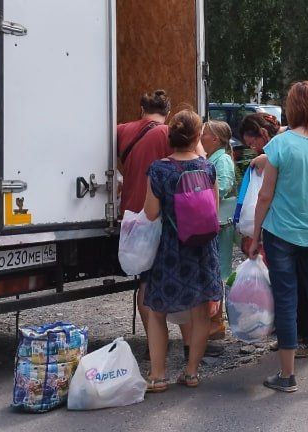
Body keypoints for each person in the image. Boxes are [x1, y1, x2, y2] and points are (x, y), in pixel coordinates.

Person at [247, 81, 308, 392]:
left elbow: (265, 196)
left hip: (281, 235)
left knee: (287, 300)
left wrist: (255, 236)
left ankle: (288, 375)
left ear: (292, 107)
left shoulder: (281, 145)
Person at [142, 109, 223, 392]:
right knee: (201, 314)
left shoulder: (159, 170)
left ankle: (158, 376)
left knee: (157, 311)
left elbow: (151, 214)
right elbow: (213, 206)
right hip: (202, 250)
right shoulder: (208, 167)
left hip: (172, 250)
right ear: (198, 136)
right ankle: (191, 373)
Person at [239, 113, 308, 358]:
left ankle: (307, 342)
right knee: (304, 287)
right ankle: (303, 341)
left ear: (262, 133)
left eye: (252, 142)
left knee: (298, 289)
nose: (252, 148)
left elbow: (268, 192)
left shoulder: (282, 142)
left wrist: (255, 234)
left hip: (292, 225)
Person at [116, 90, 192, 359]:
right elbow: (192, 160)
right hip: (160, 216)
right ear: (168, 112)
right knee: (177, 280)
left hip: (132, 219)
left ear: (141, 108)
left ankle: (153, 344)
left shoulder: (122, 131)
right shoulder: (165, 133)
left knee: (145, 282)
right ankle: (187, 346)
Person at [200, 120, 236, 339]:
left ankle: (216, 322)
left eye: (204, 133)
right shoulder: (216, 158)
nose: (201, 137)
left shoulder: (221, 160)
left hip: (220, 223)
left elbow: (221, 188)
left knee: (219, 270)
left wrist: (197, 192)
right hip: (215, 221)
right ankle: (213, 319)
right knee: (214, 270)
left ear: (214, 139)